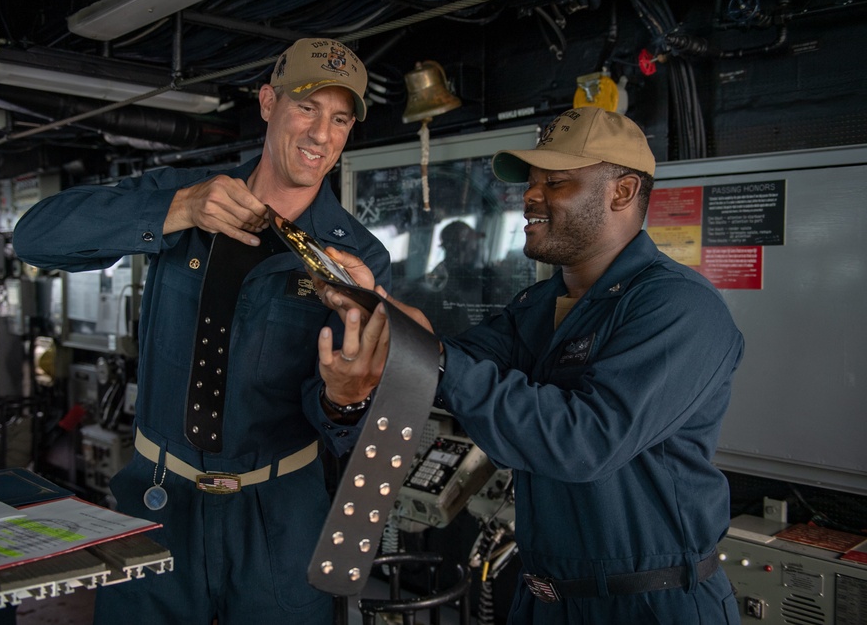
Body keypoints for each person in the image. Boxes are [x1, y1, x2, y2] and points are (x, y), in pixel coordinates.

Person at [12, 38, 391, 625]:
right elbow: (35, 237)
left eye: (340, 119)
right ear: (268, 102)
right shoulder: (184, 193)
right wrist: (176, 210)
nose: (321, 134)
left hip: (279, 518)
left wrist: (347, 401)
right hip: (159, 500)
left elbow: (359, 432)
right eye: (307, 108)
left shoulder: (358, 259)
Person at [317, 106, 744, 624]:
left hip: (646, 605)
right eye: (532, 183)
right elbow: (452, 362)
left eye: (556, 183)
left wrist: (435, 358)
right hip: (543, 599)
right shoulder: (538, 306)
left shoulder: (678, 307)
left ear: (623, 192)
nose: (530, 197)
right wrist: (378, 310)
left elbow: (583, 440)